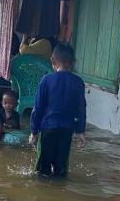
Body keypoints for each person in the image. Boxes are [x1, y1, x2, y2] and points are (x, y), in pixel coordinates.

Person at [29, 43, 86, 177]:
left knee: (42, 169)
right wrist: (80, 131)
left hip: (48, 128)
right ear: (73, 62)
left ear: (52, 60)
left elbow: (38, 107)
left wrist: (34, 131)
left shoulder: (47, 79)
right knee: (61, 168)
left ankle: (43, 193)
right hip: (67, 130)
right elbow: (81, 109)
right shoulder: (78, 82)